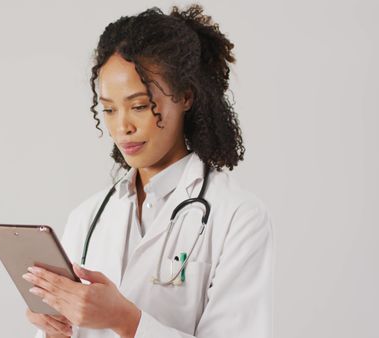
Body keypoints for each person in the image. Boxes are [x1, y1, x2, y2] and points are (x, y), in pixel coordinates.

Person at [22, 4, 274, 338]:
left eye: (139, 106)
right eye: (108, 109)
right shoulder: (87, 218)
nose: (121, 126)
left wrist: (126, 319)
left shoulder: (238, 217)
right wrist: (55, 330)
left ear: (185, 96)